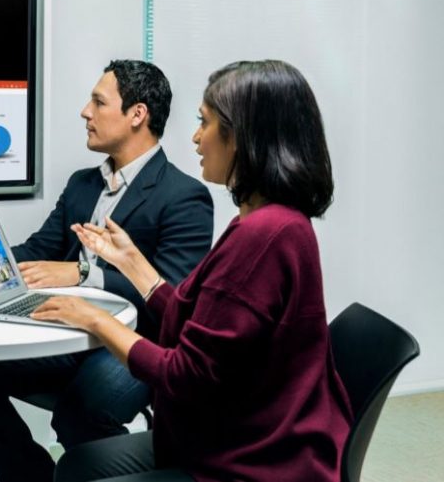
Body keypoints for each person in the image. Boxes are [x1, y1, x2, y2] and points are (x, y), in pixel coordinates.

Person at [35, 60, 353, 482]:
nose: (195, 138)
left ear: (243, 135)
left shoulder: (262, 236)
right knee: (78, 464)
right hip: (235, 434)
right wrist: (133, 263)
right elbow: (204, 321)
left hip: (244, 461)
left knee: (78, 464)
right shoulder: (274, 223)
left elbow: (184, 374)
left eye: (204, 123)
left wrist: (94, 318)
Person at [0, 60, 214, 482]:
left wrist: (82, 274)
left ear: (138, 115)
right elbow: (39, 252)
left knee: (83, 411)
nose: (85, 112)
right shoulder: (83, 184)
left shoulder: (185, 196)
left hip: (134, 341)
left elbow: (170, 294)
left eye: (99, 102)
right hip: (68, 335)